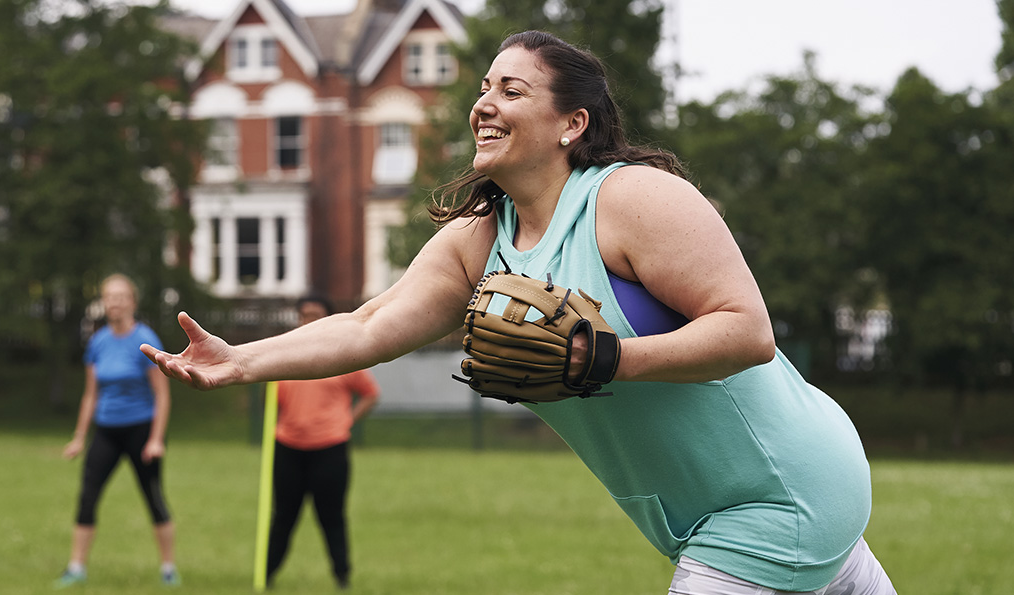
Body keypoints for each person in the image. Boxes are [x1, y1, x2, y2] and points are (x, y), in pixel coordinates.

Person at [141, 31, 896, 595]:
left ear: (572, 123)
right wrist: (243, 359)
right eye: (482, 87)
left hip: (780, 491)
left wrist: (610, 358)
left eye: (510, 89)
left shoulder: (630, 198)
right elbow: (368, 327)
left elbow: (748, 332)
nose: (482, 104)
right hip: (707, 513)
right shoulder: (478, 242)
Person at [57, 273, 180, 588]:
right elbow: (90, 395)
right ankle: (76, 567)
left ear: (132, 302)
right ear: (103, 302)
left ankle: (168, 568)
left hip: (141, 431)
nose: (115, 302)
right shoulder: (97, 342)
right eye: (109, 296)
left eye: (121, 296)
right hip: (106, 431)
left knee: (153, 498)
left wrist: (155, 439)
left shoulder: (146, 339)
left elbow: (162, 395)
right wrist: (79, 438)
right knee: (87, 497)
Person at [265, 295, 380, 590]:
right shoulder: (284, 355)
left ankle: (342, 576)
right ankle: (266, 574)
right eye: (304, 315)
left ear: (329, 318)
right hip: (288, 449)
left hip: (330, 448)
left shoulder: (342, 357)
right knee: (283, 517)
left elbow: (370, 393)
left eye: (316, 314)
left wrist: (348, 421)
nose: (309, 320)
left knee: (331, 517)